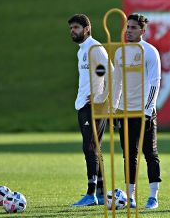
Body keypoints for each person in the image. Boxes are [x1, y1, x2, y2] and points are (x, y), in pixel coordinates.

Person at [111, 13, 162, 209]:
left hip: (144, 112)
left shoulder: (150, 52)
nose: (128, 31)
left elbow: (154, 83)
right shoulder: (120, 53)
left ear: (142, 30)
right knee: (128, 155)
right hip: (124, 111)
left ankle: (153, 196)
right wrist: (114, 108)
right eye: (127, 27)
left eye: (133, 27)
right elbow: (117, 82)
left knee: (150, 153)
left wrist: (148, 111)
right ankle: (130, 196)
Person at [69, 14, 111, 206]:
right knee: (94, 147)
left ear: (87, 29)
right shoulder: (82, 50)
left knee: (90, 147)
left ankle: (91, 193)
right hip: (84, 103)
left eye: (76, 28)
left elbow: (109, 71)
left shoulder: (95, 47)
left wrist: (101, 96)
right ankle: (101, 193)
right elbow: (98, 73)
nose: (72, 31)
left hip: (93, 105)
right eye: (71, 28)